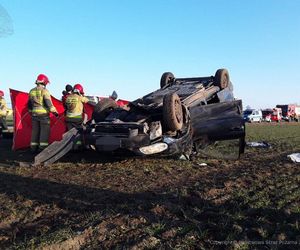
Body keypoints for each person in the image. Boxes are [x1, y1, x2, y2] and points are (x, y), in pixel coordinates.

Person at [27, 74, 58, 152]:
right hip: (43, 116)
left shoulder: (31, 91)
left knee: (35, 131)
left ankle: (33, 148)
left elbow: (29, 104)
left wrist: (31, 111)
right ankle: (42, 148)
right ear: (44, 82)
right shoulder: (45, 91)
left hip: (34, 114)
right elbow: (48, 104)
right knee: (44, 131)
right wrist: (55, 113)